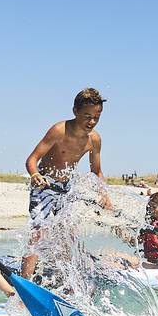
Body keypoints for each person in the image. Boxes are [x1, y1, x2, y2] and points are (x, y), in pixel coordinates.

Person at [20, 88, 110, 279]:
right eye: (87, 116)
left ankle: (68, 282)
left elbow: (97, 172)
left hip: (66, 189)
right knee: (38, 233)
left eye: (96, 116)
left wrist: (104, 194)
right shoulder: (59, 130)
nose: (92, 121)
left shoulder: (95, 139)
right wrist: (35, 174)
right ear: (75, 111)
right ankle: (24, 284)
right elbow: (31, 159)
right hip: (45, 185)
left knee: (68, 235)